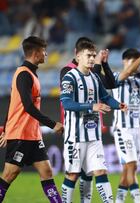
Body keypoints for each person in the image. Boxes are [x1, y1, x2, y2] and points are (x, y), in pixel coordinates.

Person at [60, 40, 127, 203]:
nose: (91, 59)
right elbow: (66, 103)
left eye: (93, 55)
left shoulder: (95, 78)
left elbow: (105, 98)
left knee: (100, 172)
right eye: (88, 55)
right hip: (75, 137)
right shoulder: (70, 77)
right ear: (78, 56)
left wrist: (119, 105)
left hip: (94, 136)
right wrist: (92, 106)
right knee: (73, 175)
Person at [0, 36, 64, 202]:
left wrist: (4, 128)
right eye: (44, 51)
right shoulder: (23, 75)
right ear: (36, 53)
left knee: (47, 171)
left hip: (33, 135)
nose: (46, 54)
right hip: (21, 134)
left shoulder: (30, 74)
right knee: (9, 174)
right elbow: (27, 106)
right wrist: (52, 124)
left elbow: (13, 103)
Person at [112, 40, 140, 203]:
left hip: (137, 129)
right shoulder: (115, 77)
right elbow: (128, 72)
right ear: (124, 62)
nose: (135, 65)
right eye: (131, 61)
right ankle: (138, 200)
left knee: (127, 169)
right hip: (123, 129)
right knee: (132, 165)